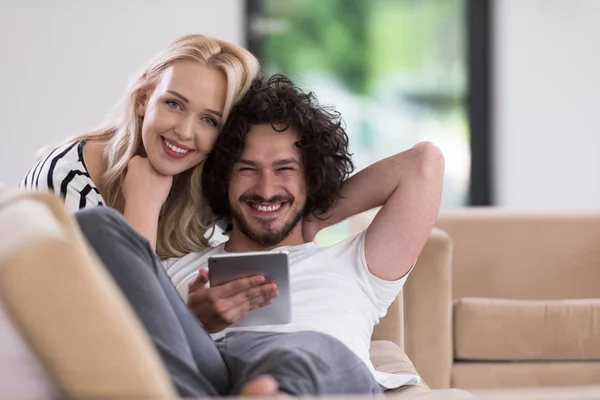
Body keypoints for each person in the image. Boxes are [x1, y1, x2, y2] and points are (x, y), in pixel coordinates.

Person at [73, 73, 444, 396]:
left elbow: (423, 163)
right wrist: (191, 320)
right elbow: (119, 339)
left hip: (312, 377)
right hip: (208, 378)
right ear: (224, 177)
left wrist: (314, 217)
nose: (266, 190)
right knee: (97, 227)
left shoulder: (356, 265)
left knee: (304, 351)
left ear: (311, 176)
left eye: (284, 169)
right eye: (247, 169)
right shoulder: (178, 266)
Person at [20, 34, 259, 259]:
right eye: (174, 104)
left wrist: (198, 304)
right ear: (143, 100)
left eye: (209, 120)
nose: (184, 132)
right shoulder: (67, 177)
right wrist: (143, 204)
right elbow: (124, 299)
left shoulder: (208, 183)